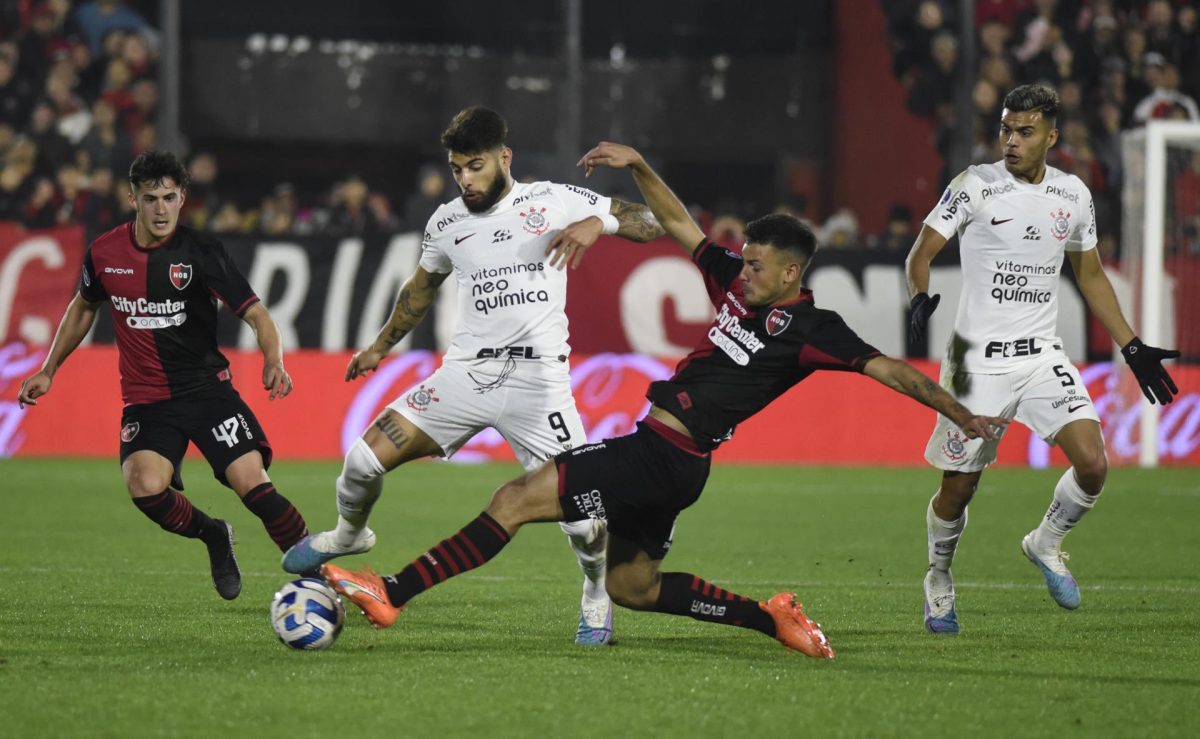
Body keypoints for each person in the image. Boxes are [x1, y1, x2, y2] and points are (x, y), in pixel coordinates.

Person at [317, 141, 1007, 659]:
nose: (743, 268)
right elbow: (679, 225)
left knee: (514, 499)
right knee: (634, 587)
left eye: (758, 263)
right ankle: (773, 618)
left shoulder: (812, 329)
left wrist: (960, 413)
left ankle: (392, 591)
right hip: (678, 464)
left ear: (792, 272)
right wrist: (640, 165)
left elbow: (892, 372)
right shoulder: (737, 284)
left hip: (661, 454)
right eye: (745, 257)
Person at [281, 107, 665, 646]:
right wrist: (379, 348)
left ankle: (596, 593)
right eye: (457, 169)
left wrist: (600, 222)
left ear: (505, 158)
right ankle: (349, 535)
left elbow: (651, 222)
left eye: (475, 166)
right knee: (362, 461)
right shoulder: (446, 222)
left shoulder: (553, 200)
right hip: (466, 374)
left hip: (539, 383)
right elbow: (419, 291)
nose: (465, 179)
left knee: (584, 519)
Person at [905, 84, 1181, 634]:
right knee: (959, 488)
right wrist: (918, 297)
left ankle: (1045, 542)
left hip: (1040, 357)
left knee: (1094, 463)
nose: (1011, 140)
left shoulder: (1073, 195)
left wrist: (1131, 346)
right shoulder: (975, 185)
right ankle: (938, 576)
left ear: (1051, 138)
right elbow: (922, 251)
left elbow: (1091, 275)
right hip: (975, 365)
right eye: (1006, 129)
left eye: (1024, 132)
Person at [17, 150, 309, 601]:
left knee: (252, 483)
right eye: (150, 198)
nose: (161, 209)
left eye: (169, 198)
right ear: (132, 198)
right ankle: (214, 534)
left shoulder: (202, 252)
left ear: (182, 198)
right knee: (145, 487)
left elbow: (256, 313)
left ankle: (319, 575)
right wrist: (48, 369)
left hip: (208, 393)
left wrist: (274, 359)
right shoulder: (105, 253)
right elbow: (84, 307)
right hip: (148, 400)